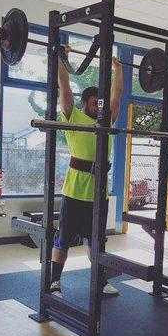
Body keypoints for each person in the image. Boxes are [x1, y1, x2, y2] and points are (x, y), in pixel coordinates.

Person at [50, 46, 123, 298]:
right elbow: (64, 84)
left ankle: (100, 281)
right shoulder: (74, 117)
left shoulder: (107, 122)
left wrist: (119, 70)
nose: (99, 107)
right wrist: (62, 58)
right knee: (64, 240)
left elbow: (117, 97)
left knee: (97, 242)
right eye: (95, 103)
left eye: (100, 104)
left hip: (98, 194)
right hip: (74, 192)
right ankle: (54, 282)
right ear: (85, 104)